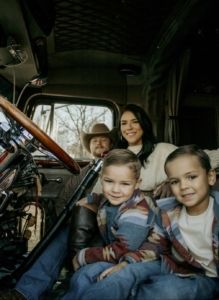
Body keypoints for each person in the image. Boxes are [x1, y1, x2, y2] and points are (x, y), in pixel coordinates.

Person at [74, 144, 219, 300]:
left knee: (166, 291)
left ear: (211, 177)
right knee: (121, 274)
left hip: (207, 277)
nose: (184, 186)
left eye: (192, 177)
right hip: (171, 265)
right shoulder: (168, 214)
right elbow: (155, 245)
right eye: (175, 181)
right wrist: (128, 263)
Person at [0, 123, 118, 300]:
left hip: (109, 225)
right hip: (78, 227)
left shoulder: (118, 169)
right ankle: (24, 293)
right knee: (60, 236)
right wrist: (72, 220)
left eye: (103, 140)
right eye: (95, 140)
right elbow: (63, 200)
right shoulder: (82, 173)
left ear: (111, 144)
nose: (99, 143)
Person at [59, 148, 156, 300]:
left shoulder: (137, 213)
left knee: (87, 275)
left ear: (137, 184)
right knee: (81, 277)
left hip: (137, 258)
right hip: (118, 253)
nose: (115, 190)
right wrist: (92, 198)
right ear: (101, 178)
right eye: (109, 181)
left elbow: (121, 251)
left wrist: (84, 255)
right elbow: (103, 197)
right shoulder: (114, 197)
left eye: (124, 184)